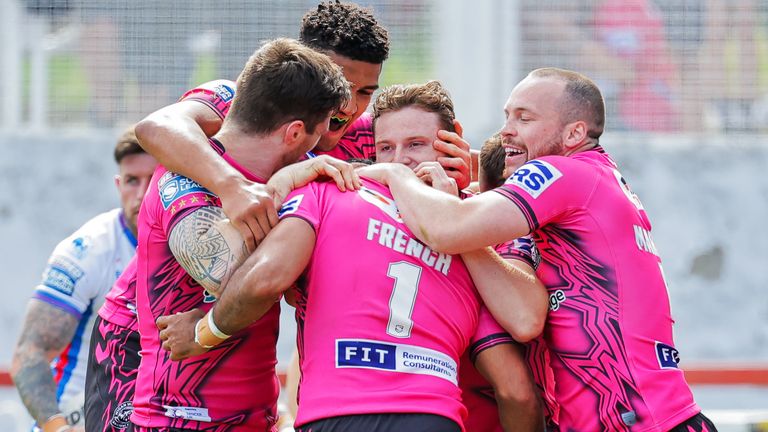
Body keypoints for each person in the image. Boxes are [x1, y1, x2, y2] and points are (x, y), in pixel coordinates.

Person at [156, 81, 546, 432]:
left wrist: (206, 329)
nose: (399, 161)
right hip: (430, 417)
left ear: (453, 140)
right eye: (385, 149)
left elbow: (263, 278)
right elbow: (515, 390)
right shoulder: (478, 228)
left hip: (334, 416)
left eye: (415, 145)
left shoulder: (327, 192)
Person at [357, 67, 716, 432]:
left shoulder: (559, 172)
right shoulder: (592, 177)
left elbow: (450, 228)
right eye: (507, 116)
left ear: (574, 133)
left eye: (524, 118)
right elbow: (495, 170)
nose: (506, 130)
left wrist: (390, 174)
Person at [128, 38, 351, 432]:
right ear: (295, 133)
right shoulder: (185, 178)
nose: (328, 145)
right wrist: (283, 186)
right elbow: (238, 276)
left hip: (255, 417)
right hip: (178, 419)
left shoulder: (287, 173)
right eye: (325, 130)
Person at [134, 1, 472, 252]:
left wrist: (459, 177)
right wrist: (231, 186)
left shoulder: (374, 137)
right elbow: (155, 127)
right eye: (340, 84)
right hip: (145, 324)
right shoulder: (245, 101)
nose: (349, 106)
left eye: (366, 92)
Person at [10, 128, 157, 432]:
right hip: (76, 419)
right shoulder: (88, 250)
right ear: (119, 185)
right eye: (132, 180)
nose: (141, 193)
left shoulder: (189, 244)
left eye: (152, 180)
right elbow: (30, 354)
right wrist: (58, 427)